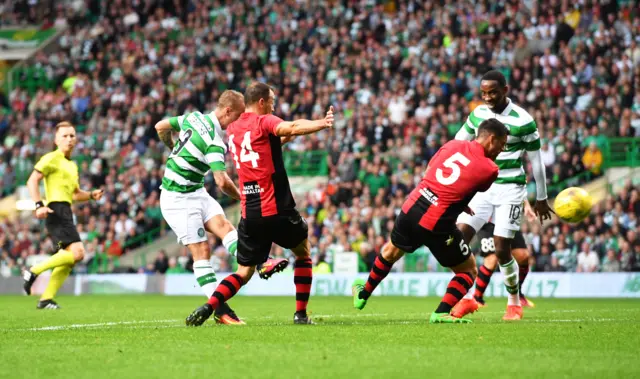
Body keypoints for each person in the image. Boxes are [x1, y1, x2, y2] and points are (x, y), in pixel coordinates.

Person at [185, 82, 334, 326]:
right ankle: (300, 315)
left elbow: (267, 145)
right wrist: (322, 123)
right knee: (303, 253)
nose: (274, 106)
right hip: (277, 208)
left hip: (250, 213)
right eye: (272, 101)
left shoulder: (233, 129)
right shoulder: (264, 121)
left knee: (243, 272)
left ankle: (210, 305)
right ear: (262, 102)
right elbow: (293, 127)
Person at [351, 118, 508, 324]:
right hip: (437, 222)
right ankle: (441, 312)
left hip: (412, 205)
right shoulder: (490, 169)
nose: (501, 150)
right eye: (502, 144)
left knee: (391, 251)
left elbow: (431, 170)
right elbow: (471, 185)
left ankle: (363, 294)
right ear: (491, 139)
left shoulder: (453, 144)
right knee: (468, 270)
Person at [155, 90, 288, 326]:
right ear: (228, 112)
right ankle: (220, 309)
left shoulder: (193, 117)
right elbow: (221, 181)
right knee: (202, 251)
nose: (239, 122)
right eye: (238, 116)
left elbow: (160, 126)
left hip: (195, 191)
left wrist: (172, 148)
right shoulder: (214, 141)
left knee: (225, 228)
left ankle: (260, 262)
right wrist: (243, 198)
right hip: (176, 199)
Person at [453, 70, 554, 321]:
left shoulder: (524, 120)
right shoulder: (478, 114)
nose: (487, 97)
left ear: (505, 90)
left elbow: (537, 162)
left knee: (501, 248)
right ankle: (468, 299)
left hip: (510, 189)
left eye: (493, 92)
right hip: (481, 187)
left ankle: (513, 303)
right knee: (457, 239)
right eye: (483, 92)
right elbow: (458, 142)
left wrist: (541, 197)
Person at [22, 121, 104, 309]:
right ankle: (33, 271)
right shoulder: (51, 158)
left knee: (69, 259)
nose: (69, 139)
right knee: (79, 253)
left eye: (72, 135)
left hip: (66, 210)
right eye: (65, 136)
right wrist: (38, 205)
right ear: (56, 139)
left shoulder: (72, 166)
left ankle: (45, 299)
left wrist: (91, 195)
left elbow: (75, 194)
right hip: (55, 210)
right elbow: (32, 180)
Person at [471, 200, 538, 308]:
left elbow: (518, 184)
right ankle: (477, 298)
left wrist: (526, 204)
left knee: (523, 256)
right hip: (487, 220)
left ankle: (518, 295)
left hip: (508, 216)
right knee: (491, 260)